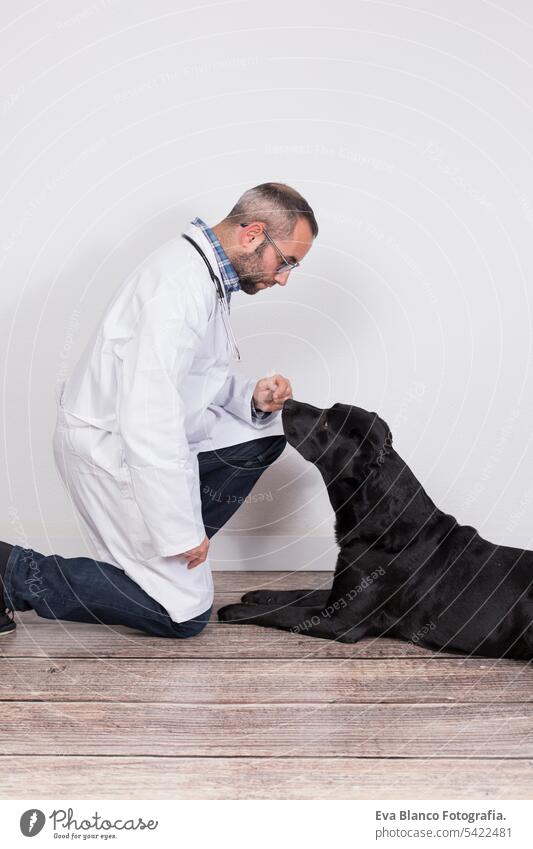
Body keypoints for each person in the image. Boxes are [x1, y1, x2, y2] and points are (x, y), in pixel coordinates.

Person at [0, 182, 318, 638]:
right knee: (182, 615)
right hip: (109, 449)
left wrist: (252, 397)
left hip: (145, 440)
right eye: (285, 262)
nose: (283, 277)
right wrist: (176, 530)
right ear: (252, 235)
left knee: (265, 435)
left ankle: (150, 554)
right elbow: (149, 420)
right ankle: (8, 572)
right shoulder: (178, 290)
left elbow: (193, 377)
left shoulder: (205, 274)